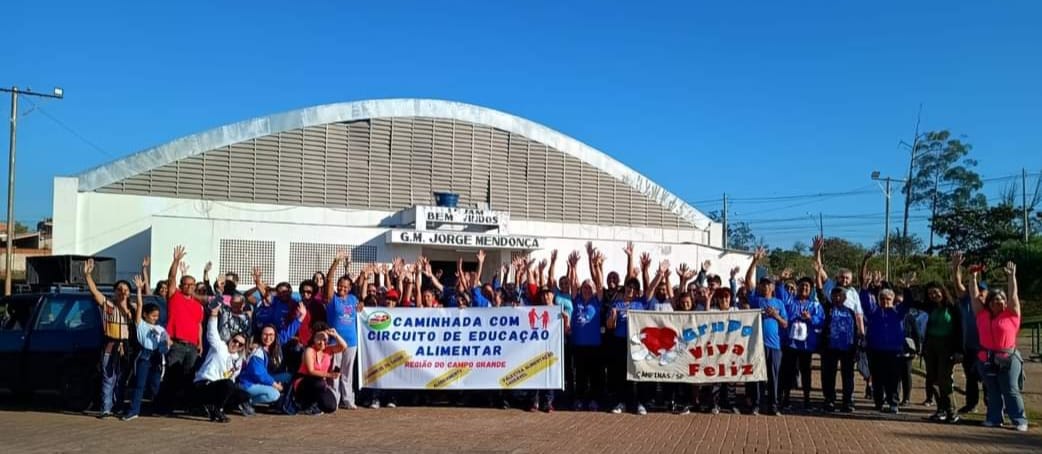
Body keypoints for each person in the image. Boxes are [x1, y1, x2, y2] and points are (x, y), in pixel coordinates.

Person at [969, 259, 1028, 432]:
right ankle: (994, 418)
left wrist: (1011, 278)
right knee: (992, 390)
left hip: (1008, 357)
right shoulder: (982, 314)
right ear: (989, 302)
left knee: (1010, 389)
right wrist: (973, 277)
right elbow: (973, 296)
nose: (999, 302)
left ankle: (1019, 419)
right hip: (986, 357)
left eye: (1002, 299)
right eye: (995, 299)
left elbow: (1013, 296)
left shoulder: (1011, 314)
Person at [83, 258, 132, 419]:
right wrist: (87, 275)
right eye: (119, 289)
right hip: (110, 344)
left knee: (121, 378)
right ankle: (106, 408)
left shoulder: (132, 307)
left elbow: (133, 319)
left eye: (125, 290)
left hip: (124, 346)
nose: (122, 292)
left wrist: (125, 305)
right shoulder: (108, 305)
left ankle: (118, 406)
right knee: (108, 376)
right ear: (114, 291)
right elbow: (95, 292)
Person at [745, 247, 788, 416]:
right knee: (757, 376)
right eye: (762, 284)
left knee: (774, 377)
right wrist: (754, 261)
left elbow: (785, 324)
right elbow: (748, 281)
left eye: (767, 284)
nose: (765, 286)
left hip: (774, 345)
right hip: (757, 345)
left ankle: (774, 405)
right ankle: (756, 404)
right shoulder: (756, 300)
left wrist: (776, 316)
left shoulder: (779, 303)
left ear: (772, 286)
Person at [123, 274, 170, 421]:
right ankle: (133, 410)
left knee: (156, 384)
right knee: (140, 384)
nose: (155, 318)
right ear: (145, 315)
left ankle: (157, 409)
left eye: (157, 316)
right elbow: (140, 305)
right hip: (144, 355)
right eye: (153, 316)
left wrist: (166, 341)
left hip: (157, 355)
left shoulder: (160, 328)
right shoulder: (141, 324)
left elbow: (167, 341)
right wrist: (138, 289)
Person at [193, 306, 247, 423]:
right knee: (228, 385)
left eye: (240, 344)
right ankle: (218, 409)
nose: (236, 345)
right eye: (235, 341)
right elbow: (212, 332)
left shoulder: (238, 360)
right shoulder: (220, 347)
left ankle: (212, 407)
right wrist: (213, 315)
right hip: (204, 384)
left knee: (243, 394)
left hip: (220, 387)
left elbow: (232, 377)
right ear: (230, 340)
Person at [324, 251, 362, 410]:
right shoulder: (332, 299)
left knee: (348, 373)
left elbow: (360, 308)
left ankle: (348, 400)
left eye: (345, 286)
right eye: (340, 285)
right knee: (335, 372)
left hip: (351, 341)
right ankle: (334, 399)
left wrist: (361, 306)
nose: (342, 288)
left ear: (350, 288)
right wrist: (336, 262)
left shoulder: (353, 299)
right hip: (335, 342)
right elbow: (329, 280)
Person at [780, 277, 824, 410]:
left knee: (806, 372)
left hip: (806, 345)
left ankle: (806, 399)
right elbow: (784, 315)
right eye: (802, 286)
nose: (804, 288)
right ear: (797, 287)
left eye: (807, 287)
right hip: (790, 344)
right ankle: (786, 398)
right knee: (788, 371)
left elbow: (821, 321)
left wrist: (810, 318)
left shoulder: (814, 305)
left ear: (810, 290)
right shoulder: (790, 302)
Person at [922, 281, 962, 423]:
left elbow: (960, 329)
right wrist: (907, 288)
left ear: (942, 291)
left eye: (936, 292)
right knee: (933, 379)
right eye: (930, 293)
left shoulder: (953, 307)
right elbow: (912, 304)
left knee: (944, 379)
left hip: (947, 346)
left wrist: (959, 350)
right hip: (931, 345)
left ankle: (952, 410)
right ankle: (941, 409)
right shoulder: (931, 308)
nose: (933, 295)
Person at [862, 287, 907, 413]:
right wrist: (865, 289)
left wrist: (907, 289)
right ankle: (878, 402)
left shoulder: (898, 312)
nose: (885, 302)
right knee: (877, 378)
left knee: (893, 378)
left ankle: (893, 402)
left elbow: (907, 303)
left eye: (888, 299)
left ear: (893, 300)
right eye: (882, 299)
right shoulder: (874, 312)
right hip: (876, 350)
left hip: (894, 351)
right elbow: (865, 303)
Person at [951, 253, 983, 414]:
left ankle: (995, 406)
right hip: (969, 346)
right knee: (970, 376)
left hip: (985, 346)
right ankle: (971, 404)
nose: (977, 293)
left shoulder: (987, 304)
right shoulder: (965, 300)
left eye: (981, 291)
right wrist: (956, 266)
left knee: (987, 377)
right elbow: (957, 284)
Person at [572, 251, 604, 412]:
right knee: (581, 375)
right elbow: (573, 284)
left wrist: (596, 265)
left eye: (589, 287)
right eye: (584, 287)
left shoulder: (596, 301)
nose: (587, 289)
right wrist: (574, 266)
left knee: (595, 375)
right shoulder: (576, 300)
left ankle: (594, 400)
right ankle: (579, 399)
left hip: (594, 344)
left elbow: (599, 284)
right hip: (578, 344)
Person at [237, 324, 292, 414]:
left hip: (261, 380)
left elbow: (287, 335)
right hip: (248, 383)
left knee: (287, 376)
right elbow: (259, 374)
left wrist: (299, 320)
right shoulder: (257, 351)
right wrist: (274, 384)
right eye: (265, 334)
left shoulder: (271, 348)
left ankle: (285, 401)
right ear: (260, 335)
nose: (268, 337)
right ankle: (246, 401)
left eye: (271, 335)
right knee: (274, 394)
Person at [294, 328, 348, 415]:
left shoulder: (328, 350)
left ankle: (314, 404)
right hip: (304, 381)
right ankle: (303, 403)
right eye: (319, 338)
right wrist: (330, 375)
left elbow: (344, 346)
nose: (322, 342)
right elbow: (311, 371)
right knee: (318, 383)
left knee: (331, 406)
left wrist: (335, 335)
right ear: (314, 339)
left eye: (325, 339)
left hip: (320, 383)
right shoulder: (309, 350)